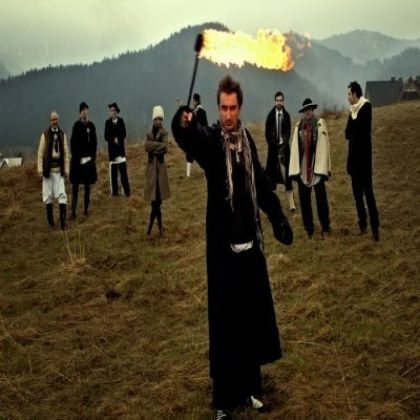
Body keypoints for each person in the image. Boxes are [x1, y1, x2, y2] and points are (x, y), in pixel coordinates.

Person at [172, 75, 293, 420]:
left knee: (249, 317)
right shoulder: (212, 142)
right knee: (225, 323)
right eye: (223, 108)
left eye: (233, 108)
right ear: (217, 108)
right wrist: (182, 120)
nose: (228, 114)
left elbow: (262, 184)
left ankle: (251, 388)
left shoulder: (248, 141)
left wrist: (278, 219)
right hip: (223, 251)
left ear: (240, 108)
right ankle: (224, 400)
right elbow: (189, 138)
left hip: (250, 246)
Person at [289, 98, 331, 238]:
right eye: (306, 110)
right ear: (303, 112)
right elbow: (295, 148)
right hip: (303, 168)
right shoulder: (298, 126)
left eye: (310, 109)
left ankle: (325, 227)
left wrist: (325, 166)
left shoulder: (319, 124)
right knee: (304, 201)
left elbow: (325, 146)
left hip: (316, 165)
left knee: (321, 199)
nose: (308, 112)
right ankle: (309, 230)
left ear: (313, 110)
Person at [345, 81, 380, 241]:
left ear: (355, 94)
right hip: (354, 162)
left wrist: (354, 129)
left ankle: (375, 229)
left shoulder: (366, 107)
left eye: (349, 94)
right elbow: (347, 133)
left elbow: (362, 129)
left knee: (369, 195)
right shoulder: (352, 111)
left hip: (364, 162)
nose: (347, 97)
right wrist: (354, 130)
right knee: (357, 196)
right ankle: (363, 225)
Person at [37, 111, 69, 230]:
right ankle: (51, 222)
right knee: (48, 196)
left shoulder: (62, 134)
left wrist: (67, 170)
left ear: (58, 120)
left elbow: (66, 154)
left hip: (59, 170)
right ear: (50, 121)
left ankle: (63, 222)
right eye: (53, 119)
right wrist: (40, 170)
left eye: (56, 119)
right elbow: (40, 154)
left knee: (62, 194)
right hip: (48, 171)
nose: (55, 121)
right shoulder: (44, 135)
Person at [265, 91, 296, 211]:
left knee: (287, 177)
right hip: (273, 151)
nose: (279, 102)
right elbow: (267, 133)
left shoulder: (286, 116)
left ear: (283, 102)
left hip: (283, 151)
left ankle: (292, 204)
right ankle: (271, 204)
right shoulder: (270, 116)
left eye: (280, 100)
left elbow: (288, 132)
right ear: (275, 101)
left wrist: (284, 144)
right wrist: (272, 145)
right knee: (270, 178)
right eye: (277, 100)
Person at [144, 105, 171, 236]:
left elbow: (165, 148)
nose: (158, 121)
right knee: (154, 203)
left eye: (160, 119)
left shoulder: (164, 132)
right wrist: (157, 146)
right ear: (153, 119)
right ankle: (158, 229)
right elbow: (146, 146)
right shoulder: (149, 132)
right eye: (156, 119)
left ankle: (150, 229)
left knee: (156, 203)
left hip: (160, 171)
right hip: (151, 171)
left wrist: (152, 147)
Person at [69, 102, 98, 218]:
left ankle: (85, 210)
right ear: (80, 113)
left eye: (86, 110)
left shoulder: (91, 126)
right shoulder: (76, 126)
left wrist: (92, 158)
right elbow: (72, 144)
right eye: (83, 111)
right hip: (77, 163)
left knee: (87, 187)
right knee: (75, 187)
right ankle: (73, 212)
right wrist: (77, 158)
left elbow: (94, 144)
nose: (85, 112)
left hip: (88, 162)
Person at [104, 102, 131, 196]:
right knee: (113, 174)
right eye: (110, 110)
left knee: (123, 173)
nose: (112, 112)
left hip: (120, 151)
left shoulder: (121, 121)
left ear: (116, 111)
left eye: (113, 110)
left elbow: (124, 133)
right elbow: (106, 136)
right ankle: (115, 193)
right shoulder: (107, 123)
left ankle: (127, 192)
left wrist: (118, 139)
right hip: (112, 152)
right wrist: (113, 139)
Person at [186, 93, 209, 176]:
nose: (193, 102)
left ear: (197, 101)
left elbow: (202, 124)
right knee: (190, 153)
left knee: (202, 154)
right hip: (195, 136)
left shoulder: (201, 111)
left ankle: (207, 170)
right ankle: (188, 174)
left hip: (200, 136)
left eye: (194, 101)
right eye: (193, 101)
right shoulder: (194, 111)